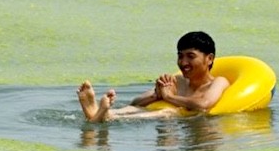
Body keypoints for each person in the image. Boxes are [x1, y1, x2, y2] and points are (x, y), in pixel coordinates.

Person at [77, 31, 230, 122]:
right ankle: (100, 112)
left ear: (209, 58)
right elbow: (136, 102)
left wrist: (169, 97)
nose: (183, 62)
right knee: (136, 108)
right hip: (174, 128)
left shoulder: (218, 82)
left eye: (190, 56)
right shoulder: (178, 81)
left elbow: (204, 104)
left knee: (169, 112)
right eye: (180, 56)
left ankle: (106, 116)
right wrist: (157, 95)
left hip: (201, 128)